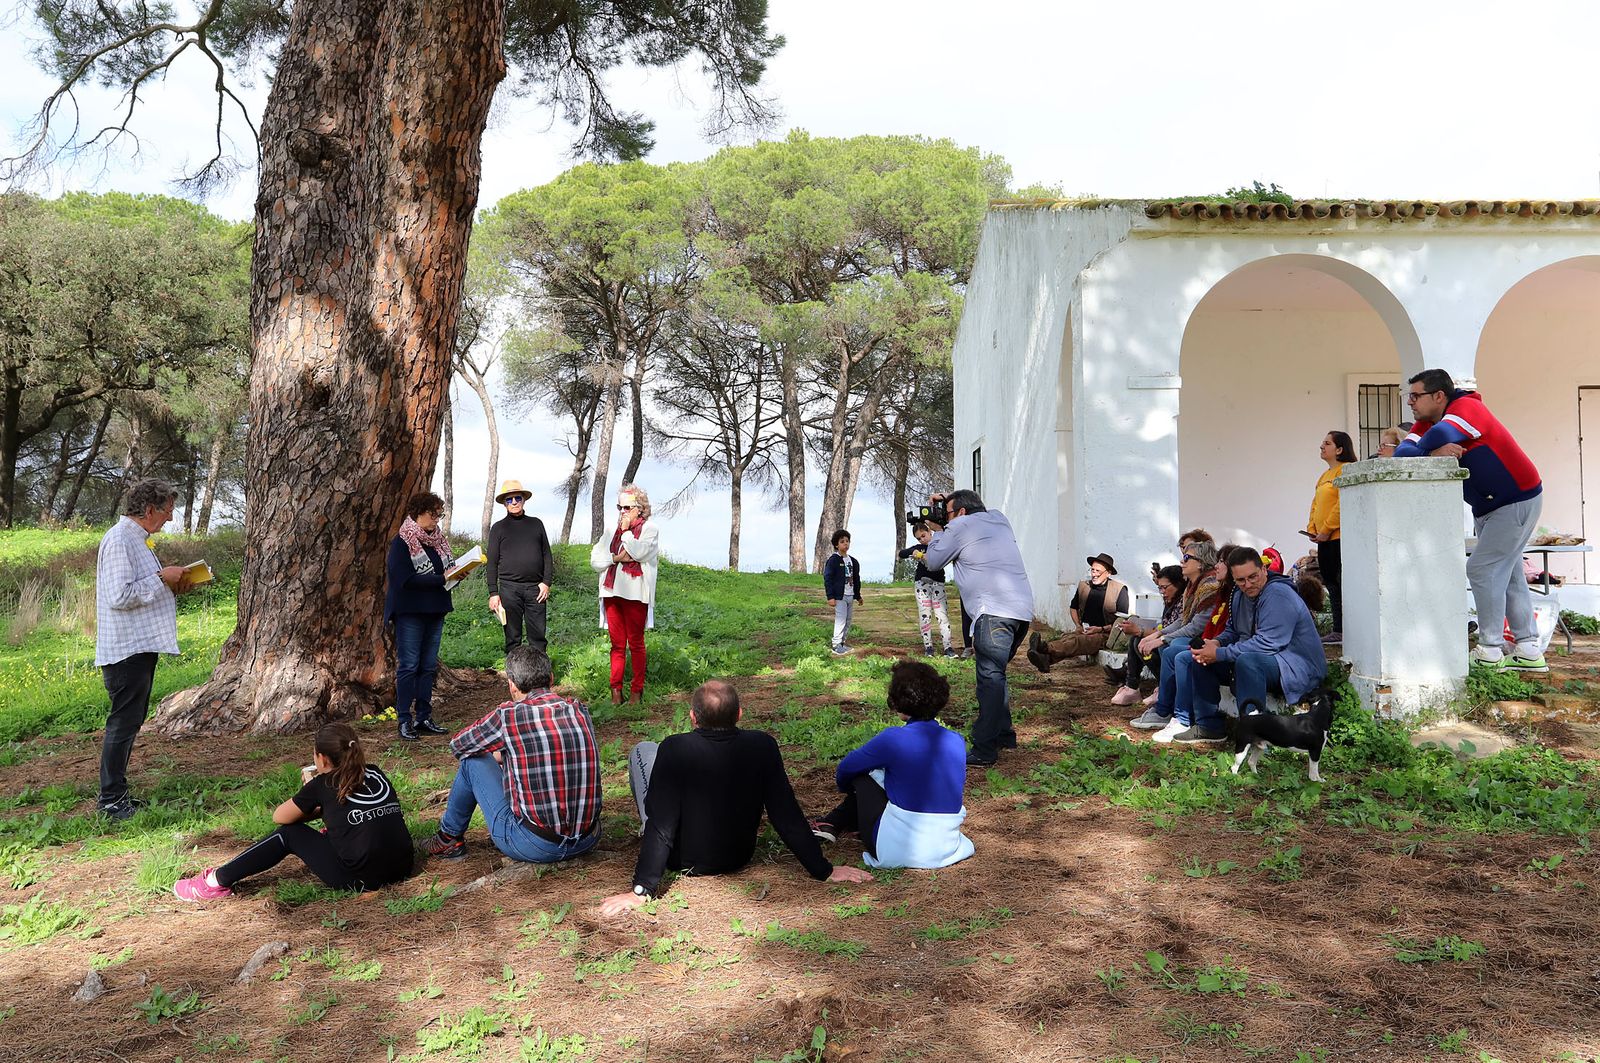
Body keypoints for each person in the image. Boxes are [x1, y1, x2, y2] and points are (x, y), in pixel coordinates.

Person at [597, 680, 873, 916]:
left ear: (693, 717)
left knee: (644, 750)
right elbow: (785, 814)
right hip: (737, 856)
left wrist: (642, 889)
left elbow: (661, 823)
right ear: (740, 714)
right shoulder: (762, 746)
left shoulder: (674, 748)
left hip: (680, 859)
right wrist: (823, 869)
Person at [1395, 369, 1546, 671]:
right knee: (1510, 574)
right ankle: (1528, 648)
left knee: (1482, 568)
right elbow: (1401, 452)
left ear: (1439, 396)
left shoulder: (1467, 407)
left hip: (1514, 500)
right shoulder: (1429, 421)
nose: (1410, 402)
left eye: (1415, 395)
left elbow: (1437, 437)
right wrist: (1431, 454)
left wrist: (1427, 448)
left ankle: (1490, 649)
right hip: (1491, 507)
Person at [173, 724, 413, 900]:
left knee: (289, 834)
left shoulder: (322, 783)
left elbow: (281, 817)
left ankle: (216, 880)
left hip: (362, 879)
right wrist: (325, 809)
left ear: (321, 758)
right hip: (403, 867)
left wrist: (310, 793)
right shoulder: (375, 772)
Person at [422, 646, 601, 864]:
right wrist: (509, 753)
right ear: (551, 678)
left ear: (511, 685)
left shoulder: (509, 716)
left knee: (472, 759)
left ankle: (447, 838)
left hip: (535, 845)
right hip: (587, 839)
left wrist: (502, 753)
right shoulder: (579, 709)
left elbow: (459, 745)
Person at [1153, 547, 1327, 744]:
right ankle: (1208, 726)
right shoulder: (1238, 593)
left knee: (1248, 661)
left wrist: (1219, 653)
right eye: (1240, 580)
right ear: (1233, 578)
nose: (1248, 584)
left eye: (1253, 577)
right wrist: (1215, 643)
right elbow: (1233, 630)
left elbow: (1267, 643)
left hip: (1295, 666)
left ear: (1263, 569)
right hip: (1265, 659)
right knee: (1193, 656)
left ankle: (1255, 733)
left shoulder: (1278, 594)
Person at [811, 660, 974, 868]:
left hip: (896, 849)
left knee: (865, 775)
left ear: (897, 701)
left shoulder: (893, 739)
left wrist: (849, 790)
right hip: (947, 847)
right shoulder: (956, 740)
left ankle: (833, 822)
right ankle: (835, 823)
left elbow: (846, 769)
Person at [94, 478, 193, 820]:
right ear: (150, 509)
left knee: (129, 721)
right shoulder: (121, 540)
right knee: (123, 723)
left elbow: (138, 590)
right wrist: (161, 578)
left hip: (138, 646)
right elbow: (118, 596)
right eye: (167, 510)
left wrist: (170, 586)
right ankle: (110, 801)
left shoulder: (140, 541)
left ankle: (117, 795)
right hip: (126, 649)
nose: (169, 517)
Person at [920, 490, 1035, 767]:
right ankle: (1004, 735)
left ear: (959, 513)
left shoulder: (958, 526)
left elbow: (933, 561)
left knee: (989, 681)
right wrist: (951, 503)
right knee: (996, 676)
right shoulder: (999, 519)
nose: (943, 520)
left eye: (946, 513)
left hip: (993, 613)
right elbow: (973, 509)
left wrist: (937, 531)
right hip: (1021, 614)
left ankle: (984, 749)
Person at [384, 491, 455, 741]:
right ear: (418, 513)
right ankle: (404, 719)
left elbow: (445, 573)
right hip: (411, 612)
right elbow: (404, 580)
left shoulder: (439, 541)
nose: (437, 519)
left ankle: (424, 716)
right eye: (432, 514)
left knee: (427, 666)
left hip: (436, 609)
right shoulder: (402, 542)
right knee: (409, 666)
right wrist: (441, 579)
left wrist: (456, 575)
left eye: (439, 514)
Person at [1130, 541, 1223, 730]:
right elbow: (1183, 620)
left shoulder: (1210, 586)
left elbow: (1196, 626)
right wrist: (1157, 634)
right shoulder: (1193, 586)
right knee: (1158, 643)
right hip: (1198, 638)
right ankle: (1164, 707)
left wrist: (1161, 638)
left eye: (1187, 557)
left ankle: (1171, 710)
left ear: (1200, 563)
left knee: (1174, 646)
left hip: (1211, 641)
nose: (1182, 561)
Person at [590, 483, 659, 703]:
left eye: (627, 507)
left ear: (640, 508)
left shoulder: (650, 530)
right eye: (619, 507)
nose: (622, 512)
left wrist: (628, 533)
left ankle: (637, 691)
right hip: (611, 593)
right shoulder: (610, 532)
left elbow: (639, 553)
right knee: (617, 645)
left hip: (636, 594)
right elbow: (595, 560)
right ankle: (615, 691)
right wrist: (615, 559)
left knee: (636, 643)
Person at [486, 478, 554, 655]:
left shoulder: (536, 524)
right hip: (509, 589)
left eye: (517, 498)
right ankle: (513, 678)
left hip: (536, 589)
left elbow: (547, 555)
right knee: (512, 637)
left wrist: (546, 582)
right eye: (509, 499)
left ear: (523, 499)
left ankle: (540, 677)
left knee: (538, 637)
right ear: (505, 504)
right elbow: (492, 563)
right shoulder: (498, 528)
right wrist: (493, 593)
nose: (514, 502)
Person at [1026, 553, 1129, 671]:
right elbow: (1073, 607)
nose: (1094, 574)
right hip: (1085, 629)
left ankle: (1044, 648)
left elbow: (1122, 622)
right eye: (1092, 570)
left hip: (1106, 634)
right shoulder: (1084, 586)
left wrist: (1100, 629)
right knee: (1067, 638)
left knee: (1078, 642)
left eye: (1098, 571)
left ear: (1108, 573)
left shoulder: (1120, 590)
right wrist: (1078, 625)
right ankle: (1046, 660)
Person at [1109, 564, 1187, 706]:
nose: (1162, 592)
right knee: (1136, 640)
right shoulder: (1171, 600)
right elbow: (1163, 627)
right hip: (1165, 637)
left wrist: (1141, 631)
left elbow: (1173, 629)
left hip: (1175, 642)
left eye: (1165, 587)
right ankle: (1132, 687)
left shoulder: (1185, 601)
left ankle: (1162, 687)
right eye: (1159, 587)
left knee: (1146, 643)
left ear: (1179, 584)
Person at [1307, 430, 1356, 645]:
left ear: (1339, 449)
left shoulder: (1344, 471)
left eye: (1327, 443)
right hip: (1323, 538)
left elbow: (1340, 505)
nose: (1322, 446)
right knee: (1331, 583)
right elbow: (1316, 504)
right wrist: (1312, 527)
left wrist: (1327, 529)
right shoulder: (1324, 475)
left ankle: (1344, 629)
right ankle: (1338, 629)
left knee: (1340, 582)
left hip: (1337, 537)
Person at [898, 524, 957, 657]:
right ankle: (928, 647)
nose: (922, 540)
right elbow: (902, 553)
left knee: (942, 615)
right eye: (919, 538)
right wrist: (912, 553)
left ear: (929, 532)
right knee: (925, 616)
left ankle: (948, 647)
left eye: (923, 536)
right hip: (922, 584)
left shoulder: (938, 546)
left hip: (938, 583)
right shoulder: (919, 548)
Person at [824, 529, 863, 655]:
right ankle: (836, 645)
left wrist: (858, 596)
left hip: (850, 595)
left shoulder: (854, 561)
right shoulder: (833, 560)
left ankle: (842, 643)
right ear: (836, 545)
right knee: (840, 619)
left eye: (847, 541)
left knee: (848, 620)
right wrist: (830, 596)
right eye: (842, 542)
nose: (845, 544)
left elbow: (856, 579)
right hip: (839, 596)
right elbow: (828, 578)